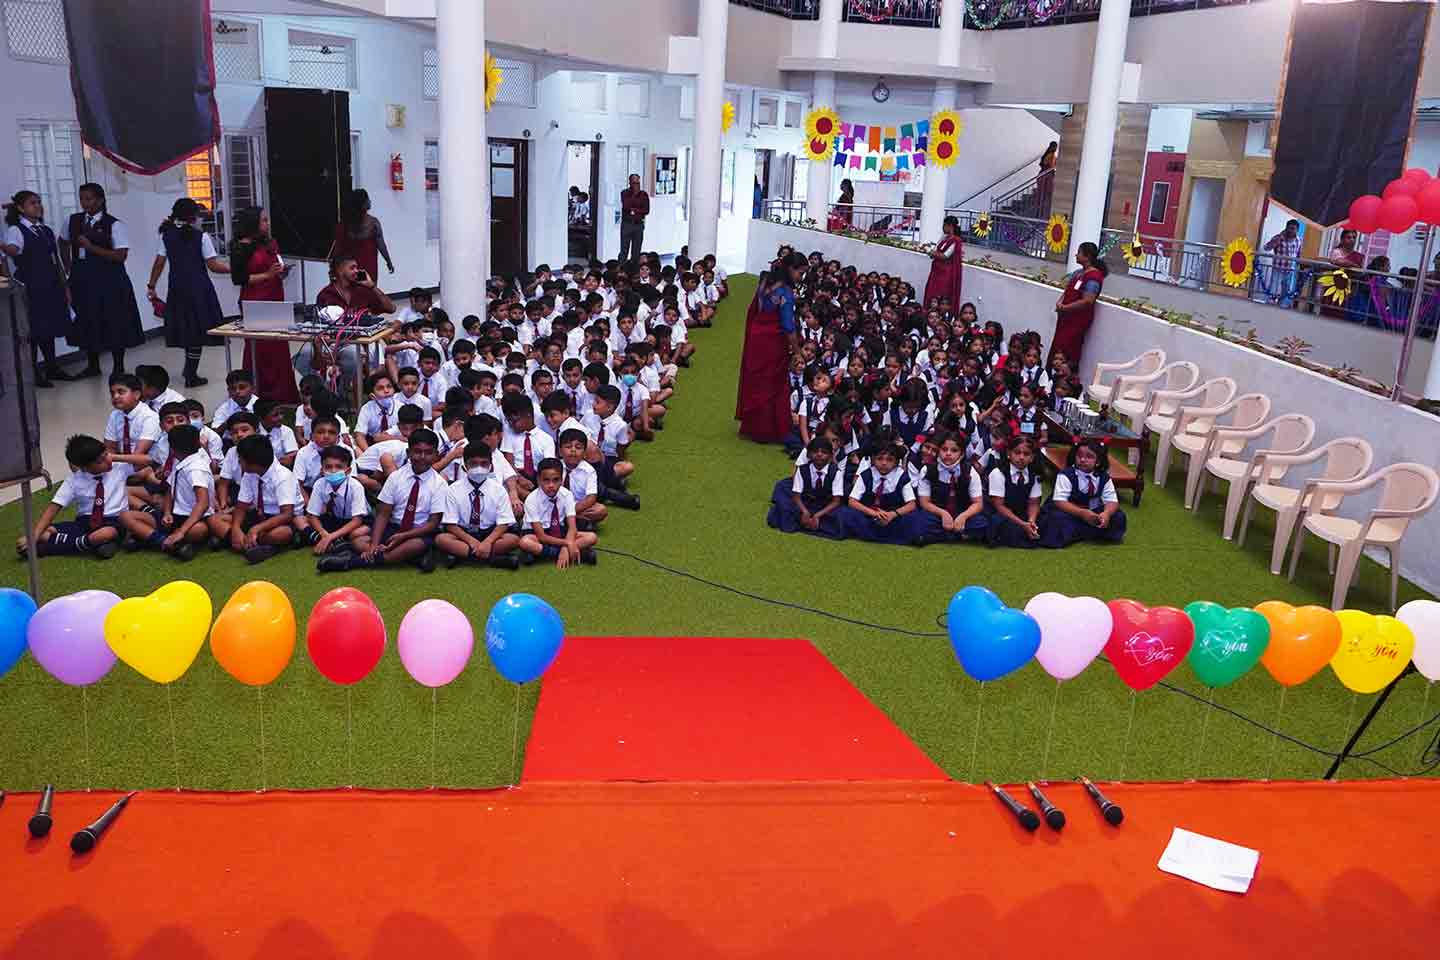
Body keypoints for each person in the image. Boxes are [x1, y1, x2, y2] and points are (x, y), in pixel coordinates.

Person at [60, 183, 144, 378]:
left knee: (114, 320)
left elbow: (120, 256)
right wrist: (68, 266)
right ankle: (93, 365)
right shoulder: (72, 221)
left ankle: (118, 367)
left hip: (110, 279)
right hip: (82, 278)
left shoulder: (114, 224)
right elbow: (62, 242)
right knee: (87, 319)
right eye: (82, 198)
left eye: (89, 199)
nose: (85, 203)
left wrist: (91, 248)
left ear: (100, 200)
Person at [147, 198, 229, 388]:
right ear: (193, 216)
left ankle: (188, 369)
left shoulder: (166, 235)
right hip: (199, 289)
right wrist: (234, 269)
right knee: (197, 331)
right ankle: (191, 375)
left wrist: (151, 285)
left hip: (177, 288)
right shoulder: (201, 237)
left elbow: (159, 263)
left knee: (187, 328)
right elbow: (213, 266)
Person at [2, 190, 75, 386]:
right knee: (33, 329)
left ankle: (52, 368)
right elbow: (13, 250)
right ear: (20, 208)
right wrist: (2, 245)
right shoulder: (16, 230)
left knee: (48, 327)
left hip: (51, 284)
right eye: (32, 203)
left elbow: (56, 260)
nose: (38, 206)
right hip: (30, 285)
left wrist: (65, 286)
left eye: (38, 202)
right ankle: (33, 373)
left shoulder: (45, 230)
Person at [15, 434, 124, 559]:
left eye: (106, 455)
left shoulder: (118, 468)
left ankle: (50, 546)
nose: (107, 461)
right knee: (39, 534)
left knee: (106, 533)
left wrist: (115, 456)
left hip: (112, 522)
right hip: (84, 523)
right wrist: (34, 536)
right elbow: (53, 508)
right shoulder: (74, 480)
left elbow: (143, 460)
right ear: (84, 468)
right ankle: (92, 543)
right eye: (100, 461)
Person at [231, 206, 299, 403]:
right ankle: (258, 393)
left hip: (275, 295)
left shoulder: (270, 243)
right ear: (253, 223)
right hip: (254, 300)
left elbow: (275, 267)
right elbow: (239, 278)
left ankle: (283, 395)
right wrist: (267, 275)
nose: (267, 224)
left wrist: (281, 272)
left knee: (278, 346)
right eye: (263, 220)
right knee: (259, 347)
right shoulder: (240, 247)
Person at [295, 254, 396, 383]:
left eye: (357, 268)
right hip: (331, 341)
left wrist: (372, 286)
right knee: (303, 356)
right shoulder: (326, 294)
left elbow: (391, 308)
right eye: (352, 268)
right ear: (340, 270)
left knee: (353, 355)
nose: (357, 271)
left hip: (355, 342)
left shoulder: (363, 290)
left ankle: (344, 387)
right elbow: (321, 325)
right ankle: (321, 388)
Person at [117, 424, 211, 561]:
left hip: (193, 519)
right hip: (173, 517)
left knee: (199, 530)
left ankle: (150, 538)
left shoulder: (196, 468)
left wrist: (182, 531)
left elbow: (203, 503)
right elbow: (169, 491)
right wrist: (167, 513)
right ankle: (165, 543)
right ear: (198, 444)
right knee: (125, 516)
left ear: (171, 448)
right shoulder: (178, 462)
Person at [737, 252, 804, 443]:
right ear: (790, 269)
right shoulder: (785, 292)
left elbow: (756, 310)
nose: (801, 277)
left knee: (757, 381)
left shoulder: (765, 283)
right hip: (773, 341)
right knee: (772, 383)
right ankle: (768, 431)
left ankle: (754, 427)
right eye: (800, 273)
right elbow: (788, 326)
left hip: (756, 336)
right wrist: (797, 352)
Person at [435, 443, 522, 569]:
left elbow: (503, 523)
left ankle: (464, 556)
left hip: (490, 533)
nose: (479, 468)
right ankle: (494, 559)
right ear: (465, 466)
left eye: (484, 463)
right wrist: (472, 542)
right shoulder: (453, 490)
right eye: (473, 464)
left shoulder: (499, 490)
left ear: (491, 466)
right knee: (441, 539)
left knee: (512, 539)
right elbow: (450, 525)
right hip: (464, 534)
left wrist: (488, 542)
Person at [1038, 439, 1127, 548]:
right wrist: (1082, 513)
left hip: (1091, 511)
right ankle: (1087, 532)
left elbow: (1112, 501)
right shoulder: (1066, 474)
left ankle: (1080, 532)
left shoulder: (1103, 477)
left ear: (1098, 461)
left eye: (1089, 457)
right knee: (1056, 519)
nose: (1083, 459)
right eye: (1079, 455)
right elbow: (1059, 501)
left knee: (1118, 516)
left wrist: (1106, 514)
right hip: (1069, 511)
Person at [226, 435, 299, 564]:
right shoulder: (249, 474)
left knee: (283, 533)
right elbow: (241, 506)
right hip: (259, 516)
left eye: (240, 459)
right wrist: (236, 528)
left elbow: (287, 514)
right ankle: (253, 543)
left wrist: (256, 529)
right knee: (216, 520)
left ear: (253, 463)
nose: (238, 462)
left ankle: (248, 542)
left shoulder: (283, 476)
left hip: (281, 520)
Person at [518, 457, 598, 568]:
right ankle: (575, 553)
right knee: (525, 542)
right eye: (546, 480)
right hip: (536, 533)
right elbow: (541, 536)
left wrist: (565, 547)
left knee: (592, 537)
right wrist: (567, 543)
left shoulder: (567, 495)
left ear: (562, 479)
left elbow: (572, 528)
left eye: (555, 480)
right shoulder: (532, 499)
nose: (551, 485)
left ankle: (551, 553)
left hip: (559, 531)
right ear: (538, 480)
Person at [768, 436, 847, 539]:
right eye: (815, 452)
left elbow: (836, 501)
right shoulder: (802, 470)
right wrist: (804, 511)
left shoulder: (836, 473)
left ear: (830, 456)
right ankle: (810, 523)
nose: (819, 455)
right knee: (784, 509)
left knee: (842, 516)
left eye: (824, 452)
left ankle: (811, 523)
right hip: (805, 502)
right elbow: (796, 496)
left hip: (825, 506)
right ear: (809, 454)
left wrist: (818, 515)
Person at [1049, 240, 1106, 370]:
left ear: (1087, 256)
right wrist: (1060, 302)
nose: (1076, 255)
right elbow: (1067, 291)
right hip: (1064, 318)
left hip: (1076, 321)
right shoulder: (1078, 273)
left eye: (1079, 252)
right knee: (1057, 348)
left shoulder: (1094, 276)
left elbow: (1088, 300)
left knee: (1068, 350)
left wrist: (1066, 308)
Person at [986, 435, 1043, 548]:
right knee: (1002, 525)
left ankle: (1029, 530)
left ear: (1032, 457)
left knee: (1047, 521)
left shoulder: (1035, 475)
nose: (1021, 457)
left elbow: (1034, 503)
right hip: (1002, 514)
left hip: (1022, 514)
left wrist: (1031, 521)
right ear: (1009, 453)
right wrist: (1022, 524)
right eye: (1017, 453)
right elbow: (999, 506)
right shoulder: (998, 473)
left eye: (1026, 454)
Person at [329, 188, 393, 281]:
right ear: (363, 204)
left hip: (349, 268)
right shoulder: (373, 223)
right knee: (367, 288)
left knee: (352, 288)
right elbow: (381, 246)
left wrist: (333, 268)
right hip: (368, 268)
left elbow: (338, 247)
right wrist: (388, 262)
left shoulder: (344, 224)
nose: (370, 201)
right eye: (368, 199)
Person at [924, 215, 964, 322]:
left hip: (946, 274)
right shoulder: (944, 238)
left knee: (941, 295)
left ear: (950, 226)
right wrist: (931, 252)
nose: (943, 227)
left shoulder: (956, 240)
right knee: (931, 293)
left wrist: (928, 250)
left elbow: (945, 256)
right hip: (936, 271)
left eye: (944, 225)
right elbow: (935, 251)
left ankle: (942, 318)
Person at [1262, 219, 1302, 307]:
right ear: (1286, 228)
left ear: (1297, 230)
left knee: (1286, 292)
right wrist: (1275, 242)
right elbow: (1266, 248)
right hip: (1278, 269)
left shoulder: (1298, 240)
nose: (1290, 231)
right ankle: (1268, 307)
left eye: (1293, 229)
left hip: (1290, 270)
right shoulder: (1278, 237)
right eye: (1289, 228)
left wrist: (1298, 264)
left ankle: (1281, 308)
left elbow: (1298, 253)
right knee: (1273, 290)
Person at [619, 174, 649, 265]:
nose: (636, 185)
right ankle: (622, 268)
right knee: (624, 250)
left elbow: (646, 210)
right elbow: (626, 206)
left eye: (637, 183)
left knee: (636, 251)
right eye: (634, 183)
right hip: (627, 224)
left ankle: (634, 269)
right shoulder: (624, 193)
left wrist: (634, 210)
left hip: (638, 225)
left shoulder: (644, 194)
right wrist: (637, 208)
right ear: (630, 183)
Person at [1035, 141, 1057, 218]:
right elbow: (1051, 166)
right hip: (1046, 177)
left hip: (1043, 176)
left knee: (1041, 196)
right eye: (1055, 147)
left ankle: (1038, 213)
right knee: (1045, 196)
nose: (1055, 148)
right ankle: (1041, 214)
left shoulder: (1047, 154)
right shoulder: (1051, 155)